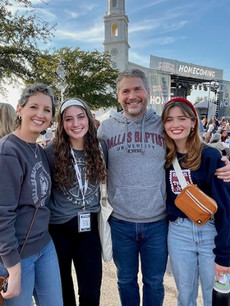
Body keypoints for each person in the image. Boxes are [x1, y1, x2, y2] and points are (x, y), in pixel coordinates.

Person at [97, 68, 230, 306]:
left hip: (158, 224)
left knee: (155, 282)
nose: (132, 95)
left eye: (138, 88)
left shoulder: (161, 124)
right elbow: (89, 160)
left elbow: (192, 149)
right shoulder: (106, 129)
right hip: (120, 222)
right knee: (126, 280)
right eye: (125, 91)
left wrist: (225, 162)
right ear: (117, 96)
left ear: (147, 92)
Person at [161, 97, 230, 305]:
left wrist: (225, 254)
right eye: (169, 119)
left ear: (193, 122)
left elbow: (226, 208)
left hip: (211, 232)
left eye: (182, 118)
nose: (175, 125)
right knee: (185, 295)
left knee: (214, 296)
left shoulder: (210, 155)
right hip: (179, 233)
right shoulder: (162, 156)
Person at [0, 84, 63, 306]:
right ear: (20, 109)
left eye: (47, 110)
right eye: (34, 106)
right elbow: (2, 214)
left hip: (44, 246)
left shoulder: (38, 149)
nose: (40, 114)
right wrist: (13, 268)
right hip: (16, 255)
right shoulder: (8, 151)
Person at [44, 98, 107, 306]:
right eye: (68, 119)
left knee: (90, 292)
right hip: (58, 228)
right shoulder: (50, 152)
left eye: (80, 117)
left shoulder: (100, 148)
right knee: (63, 291)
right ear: (62, 124)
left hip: (89, 228)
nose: (76, 123)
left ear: (88, 118)